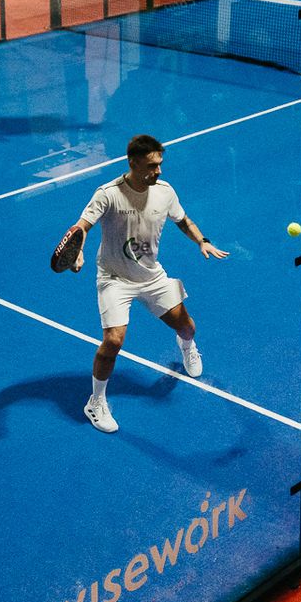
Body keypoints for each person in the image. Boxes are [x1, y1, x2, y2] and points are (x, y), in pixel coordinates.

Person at [57, 134, 227, 434]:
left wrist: (202, 241)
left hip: (152, 276)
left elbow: (183, 220)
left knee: (188, 327)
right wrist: (79, 249)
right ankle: (95, 402)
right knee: (113, 341)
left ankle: (186, 347)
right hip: (114, 278)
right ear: (132, 163)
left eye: (160, 164)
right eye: (151, 166)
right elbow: (81, 226)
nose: (158, 171)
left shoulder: (165, 191)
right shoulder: (108, 194)